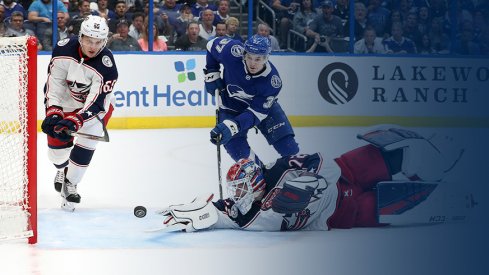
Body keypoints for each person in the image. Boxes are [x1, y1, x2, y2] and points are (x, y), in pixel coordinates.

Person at [158, 126, 465, 232]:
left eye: (240, 187)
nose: (237, 194)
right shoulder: (243, 213)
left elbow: (322, 165)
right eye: (236, 189)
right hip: (343, 212)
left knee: (400, 154)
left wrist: (311, 182)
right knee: (407, 201)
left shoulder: (278, 168)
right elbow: (219, 213)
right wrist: (198, 215)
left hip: (346, 170)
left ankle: (441, 158)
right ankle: (453, 199)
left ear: (253, 182)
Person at [41, 15, 118, 211]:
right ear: (80, 36)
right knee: (56, 154)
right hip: (65, 103)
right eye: (89, 40)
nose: (93, 46)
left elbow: (98, 101)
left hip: (93, 110)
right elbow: (55, 83)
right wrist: (53, 112)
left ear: (105, 41)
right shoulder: (63, 49)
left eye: (98, 41)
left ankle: (71, 183)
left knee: (88, 140)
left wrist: (78, 119)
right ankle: (61, 169)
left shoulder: (107, 66)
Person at [204, 35, 299, 167]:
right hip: (230, 107)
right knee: (243, 158)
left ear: (266, 58)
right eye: (249, 57)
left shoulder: (272, 82)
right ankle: (261, 177)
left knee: (290, 149)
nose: (252, 63)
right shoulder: (232, 51)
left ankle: (300, 176)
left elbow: (257, 113)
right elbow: (211, 45)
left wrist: (234, 126)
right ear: (244, 54)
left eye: (258, 59)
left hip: (261, 110)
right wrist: (211, 72)